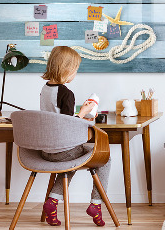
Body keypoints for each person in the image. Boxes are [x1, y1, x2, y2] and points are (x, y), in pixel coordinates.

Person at [40, 46, 110, 227]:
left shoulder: (45, 89)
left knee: (70, 161)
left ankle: (52, 202)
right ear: (67, 69)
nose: (75, 73)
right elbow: (68, 125)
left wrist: (79, 114)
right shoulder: (66, 93)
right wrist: (85, 112)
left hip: (46, 150)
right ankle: (96, 204)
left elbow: (57, 118)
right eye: (75, 69)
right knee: (105, 158)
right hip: (63, 150)